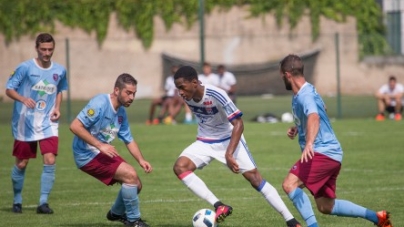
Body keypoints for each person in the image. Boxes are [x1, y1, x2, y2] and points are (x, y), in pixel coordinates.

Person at [172, 66, 301, 227]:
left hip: (229, 138)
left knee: (255, 180)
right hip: (205, 141)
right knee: (180, 167)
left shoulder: (216, 94)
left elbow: (238, 123)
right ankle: (219, 205)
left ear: (195, 82)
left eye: (182, 87)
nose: (180, 92)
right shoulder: (187, 95)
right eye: (178, 89)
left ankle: (291, 221)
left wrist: (229, 153)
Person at [279, 54, 393, 227]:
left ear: (287, 75)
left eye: (281, 76)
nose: (282, 80)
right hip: (331, 154)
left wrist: (309, 142)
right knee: (326, 206)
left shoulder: (304, 95)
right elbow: (322, 109)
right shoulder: (307, 90)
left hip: (322, 152)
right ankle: (377, 218)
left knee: (289, 184)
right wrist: (299, 127)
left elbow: (314, 117)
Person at [70, 73, 152, 227]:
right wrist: (100, 145)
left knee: (136, 185)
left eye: (134, 93)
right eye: (128, 93)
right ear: (116, 90)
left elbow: (129, 139)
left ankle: (116, 213)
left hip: (100, 153)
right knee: (130, 175)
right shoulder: (99, 103)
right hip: (86, 154)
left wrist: (141, 160)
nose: (132, 97)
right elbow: (75, 126)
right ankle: (134, 221)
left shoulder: (121, 113)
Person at [5, 33, 68, 214]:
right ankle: (17, 200)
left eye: (50, 49)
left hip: (48, 122)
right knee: (22, 163)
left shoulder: (59, 70)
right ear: (36, 48)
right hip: (25, 122)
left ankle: (43, 203)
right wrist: (23, 99)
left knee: (50, 159)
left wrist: (57, 107)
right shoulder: (24, 68)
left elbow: (59, 90)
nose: (47, 53)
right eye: (43, 49)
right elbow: (9, 89)